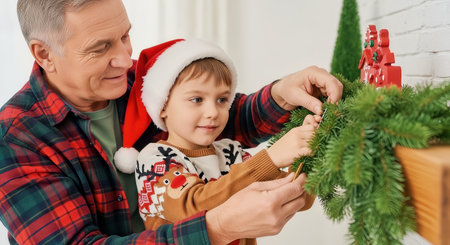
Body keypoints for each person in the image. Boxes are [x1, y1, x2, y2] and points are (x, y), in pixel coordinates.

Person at [0, 0, 343, 244]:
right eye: (100, 47)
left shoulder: (146, 81)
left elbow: (226, 120)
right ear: (44, 54)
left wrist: (283, 93)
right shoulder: (15, 140)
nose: (123, 59)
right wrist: (216, 229)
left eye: (124, 36)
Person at [112, 39, 321, 244]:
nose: (213, 112)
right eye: (197, 100)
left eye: (222, 100)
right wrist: (272, 157)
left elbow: (296, 197)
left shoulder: (231, 152)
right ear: (163, 106)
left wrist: (310, 148)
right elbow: (194, 205)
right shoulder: (155, 160)